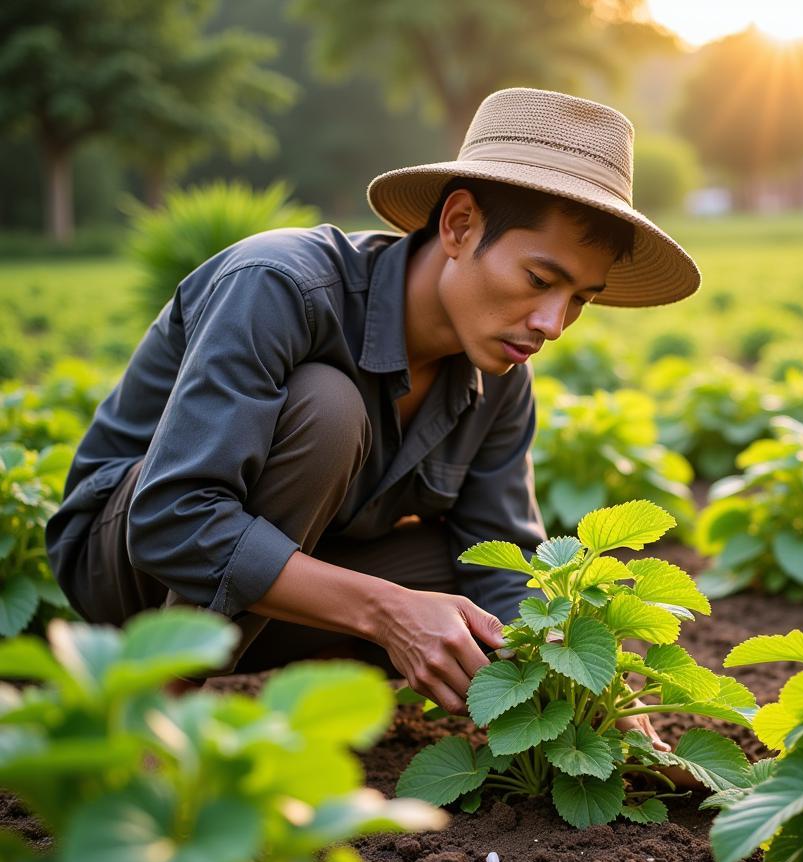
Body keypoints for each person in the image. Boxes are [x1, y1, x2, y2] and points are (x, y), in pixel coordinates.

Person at [45, 86, 700, 739]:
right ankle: (158, 713)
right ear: (459, 225)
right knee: (328, 409)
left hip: (278, 595)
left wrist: (594, 704)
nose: (553, 323)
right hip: (129, 575)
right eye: (538, 280)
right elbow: (169, 521)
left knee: (480, 579)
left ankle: (322, 678)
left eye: (580, 298)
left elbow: (503, 569)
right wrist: (388, 612)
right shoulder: (280, 285)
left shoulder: (503, 379)